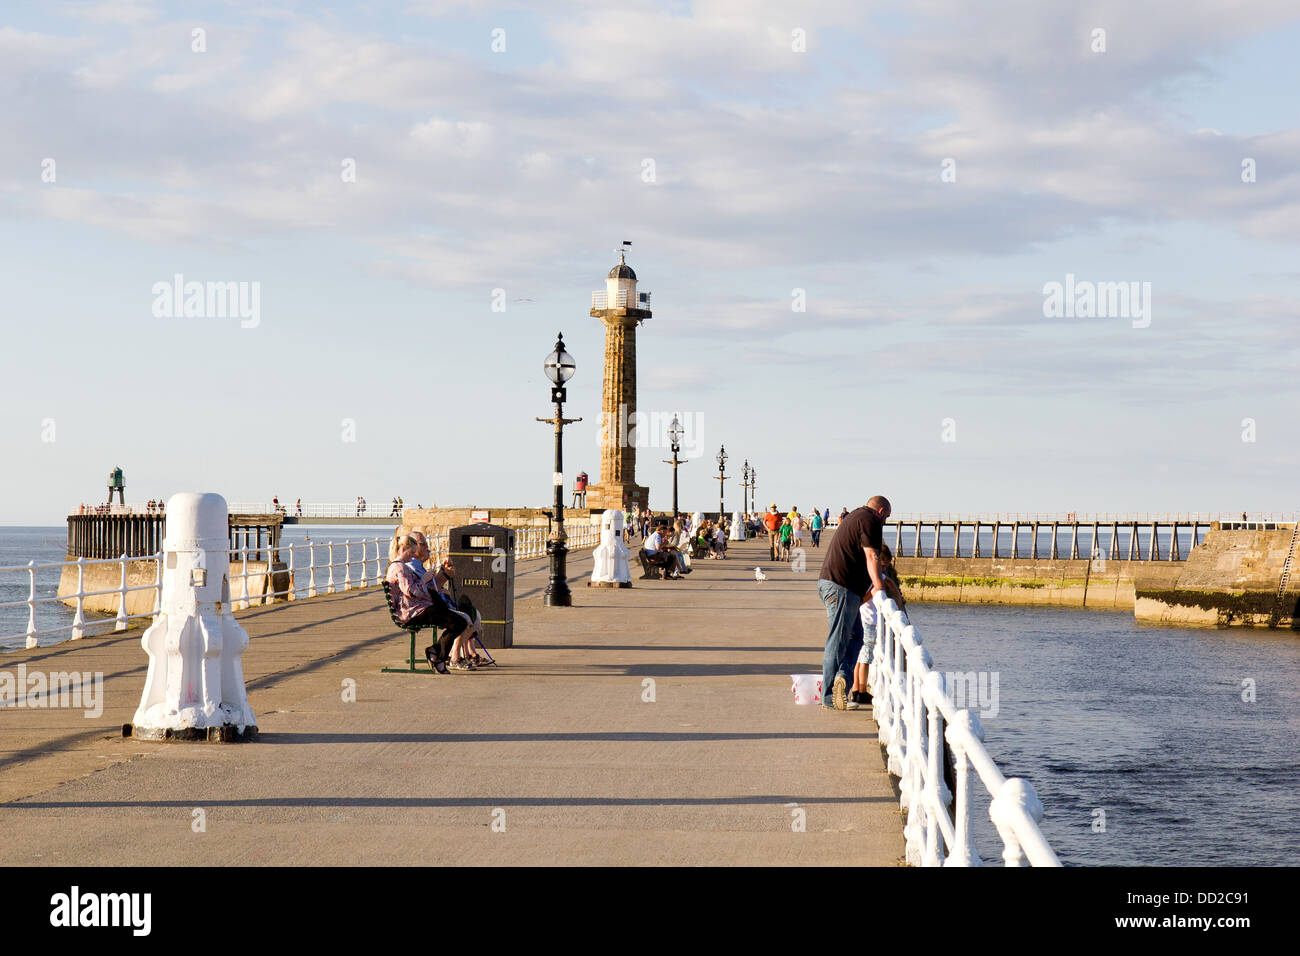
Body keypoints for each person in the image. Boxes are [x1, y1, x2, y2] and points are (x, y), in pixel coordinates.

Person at [818, 495, 892, 711]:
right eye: (886, 517)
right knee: (838, 640)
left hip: (835, 585)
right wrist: (879, 586)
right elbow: (871, 556)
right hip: (841, 588)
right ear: (880, 511)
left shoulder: (855, 516)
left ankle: (842, 678)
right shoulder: (871, 520)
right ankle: (830, 695)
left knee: (855, 636)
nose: (885, 521)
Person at [386, 533, 473, 673]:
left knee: (458, 620)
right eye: (411, 552)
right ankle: (436, 655)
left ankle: (436, 654)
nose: (412, 556)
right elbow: (411, 591)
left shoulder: (399, 567)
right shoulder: (400, 568)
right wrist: (425, 580)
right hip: (412, 613)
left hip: (415, 609)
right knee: (459, 622)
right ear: (403, 549)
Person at [851, 545, 905, 709]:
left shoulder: (872, 576)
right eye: (882, 564)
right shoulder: (873, 578)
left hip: (866, 618)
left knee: (861, 656)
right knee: (865, 657)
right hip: (869, 619)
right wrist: (878, 589)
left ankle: (856, 687)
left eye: (887, 565)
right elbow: (866, 596)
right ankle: (860, 690)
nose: (884, 568)